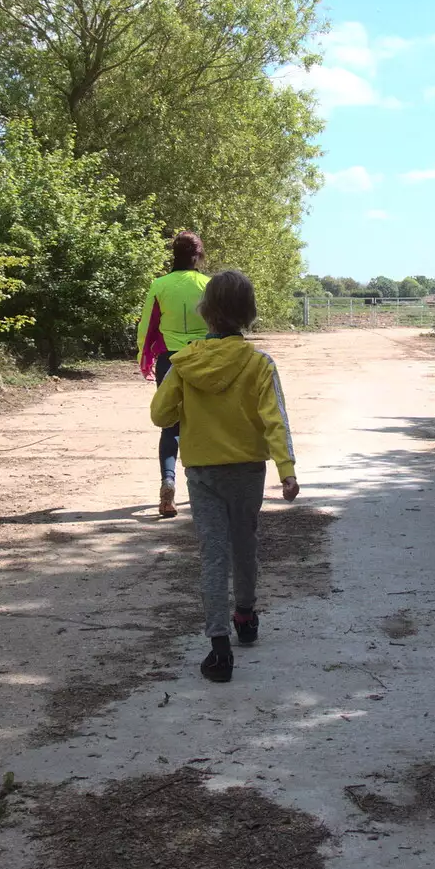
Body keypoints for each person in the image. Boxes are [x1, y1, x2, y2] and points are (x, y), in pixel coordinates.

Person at [149, 270, 299, 683]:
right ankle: (246, 616)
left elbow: (160, 415)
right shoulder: (258, 364)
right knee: (244, 543)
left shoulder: (184, 362)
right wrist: (286, 471)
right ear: (249, 315)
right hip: (248, 469)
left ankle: (218, 646)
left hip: (201, 470)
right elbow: (275, 421)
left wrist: (184, 399)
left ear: (205, 312)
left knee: (213, 554)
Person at [136, 231, 210, 517]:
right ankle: (202, 487)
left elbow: (148, 324)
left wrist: (145, 356)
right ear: (198, 255)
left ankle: (168, 482)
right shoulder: (209, 284)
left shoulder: (159, 284)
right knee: (204, 421)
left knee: (171, 424)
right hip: (203, 357)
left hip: (170, 359)